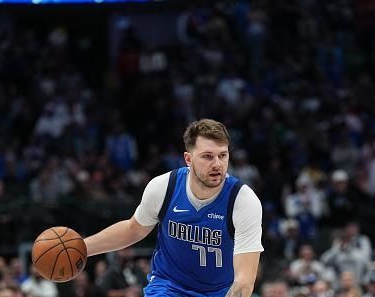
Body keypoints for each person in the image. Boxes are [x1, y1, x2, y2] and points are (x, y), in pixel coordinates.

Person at [83, 118, 264, 297]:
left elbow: (244, 280)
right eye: (208, 156)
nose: (217, 164)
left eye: (222, 155)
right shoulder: (164, 187)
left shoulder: (243, 200)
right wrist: (83, 248)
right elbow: (133, 229)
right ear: (188, 159)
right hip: (169, 287)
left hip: (219, 292)